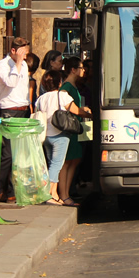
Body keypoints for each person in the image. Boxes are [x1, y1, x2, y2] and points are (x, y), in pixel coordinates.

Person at [34, 69, 90, 206]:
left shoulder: (41, 98)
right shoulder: (63, 96)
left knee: (51, 163)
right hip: (60, 134)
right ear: (59, 82)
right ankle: (51, 194)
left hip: (45, 135)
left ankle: (53, 194)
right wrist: (87, 112)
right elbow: (76, 111)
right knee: (57, 164)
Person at [0, 37, 32, 203]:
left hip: (23, 109)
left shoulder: (24, 64)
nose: (24, 57)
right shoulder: (3, 64)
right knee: (8, 153)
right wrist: (16, 64)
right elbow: (11, 82)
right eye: (22, 53)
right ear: (13, 51)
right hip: (9, 110)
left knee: (20, 153)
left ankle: (14, 188)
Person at [58, 57, 89, 206]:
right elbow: (68, 106)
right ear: (73, 70)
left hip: (75, 127)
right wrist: (85, 113)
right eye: (81, 68)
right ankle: (64, 194)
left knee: (74, 160)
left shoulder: (73, 86)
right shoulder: (66, 87)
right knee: (66, 162)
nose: (83, 71)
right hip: (69, 127)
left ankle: (66, 193)